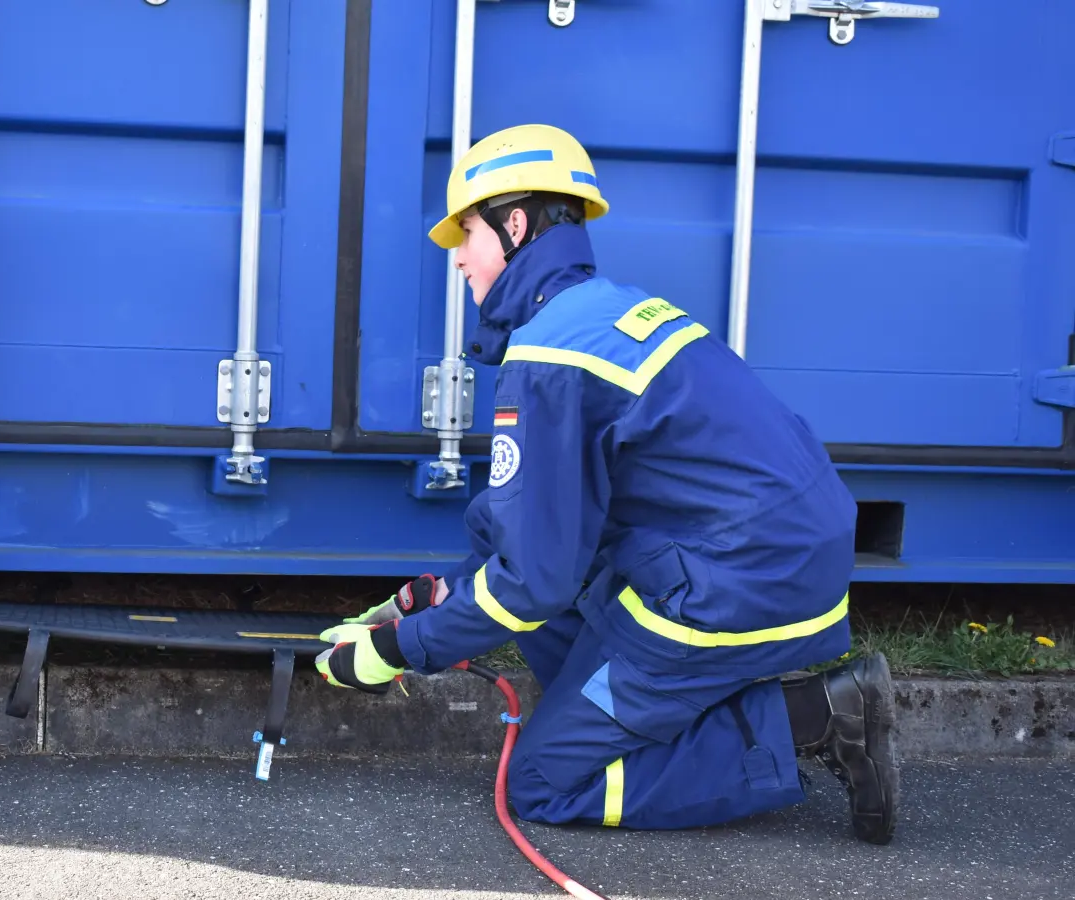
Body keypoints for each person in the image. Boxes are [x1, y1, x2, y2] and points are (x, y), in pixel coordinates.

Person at [315, 124, 898, 845]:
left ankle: (819, 718)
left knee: (546, 782)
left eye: (466, 232)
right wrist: (428, 599)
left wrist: (400, 651)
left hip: (740, 580)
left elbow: (533, 583)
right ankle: (654, 715)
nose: (459, 257)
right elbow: (531, 528)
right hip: (764, 554)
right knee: (561, 627)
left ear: (515, 223)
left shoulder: (552, 356)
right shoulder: (603, 314)